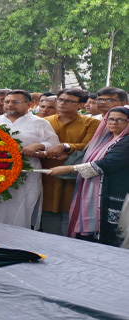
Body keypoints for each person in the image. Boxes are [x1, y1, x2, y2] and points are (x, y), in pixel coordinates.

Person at [0, 90, 60, 229]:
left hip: (25, 174)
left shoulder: (40, 123)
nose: (9, 105)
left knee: (19, 209)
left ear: (29, 104)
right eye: (7, 102)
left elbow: (54, 144)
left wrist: (40, 145)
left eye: (15, 102)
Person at [48, 107, 129, 246]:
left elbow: (106, 164)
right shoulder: (104, 139)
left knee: (108, 236)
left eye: (120, 120)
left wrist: (67, 168)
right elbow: (89, 159)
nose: (114, 122)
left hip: (113, 190)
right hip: (93, 188)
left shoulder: (126, 141)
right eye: (111, 119)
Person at [40, 88, 100, 236]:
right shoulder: (43, 121)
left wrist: (66, 147)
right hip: (47, 172)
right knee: (47, 210)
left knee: (69, 211)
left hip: (72, 174)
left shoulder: (91, 123)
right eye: (60, 100)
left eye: (69, 101)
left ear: (80, 105)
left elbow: (87, 146)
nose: (62, 103)